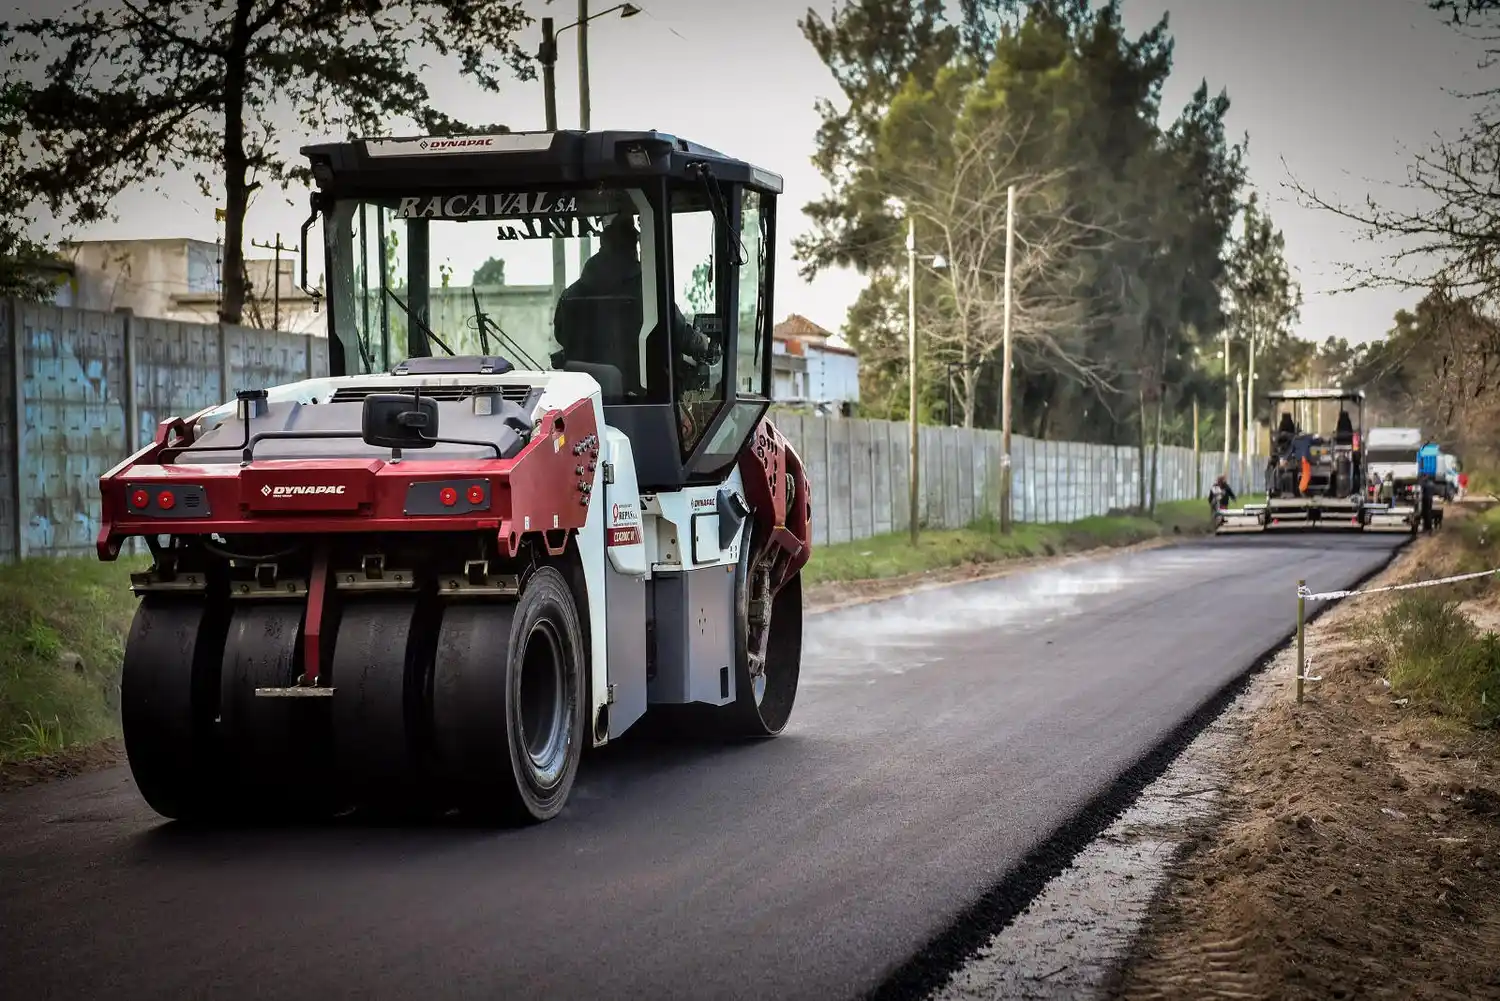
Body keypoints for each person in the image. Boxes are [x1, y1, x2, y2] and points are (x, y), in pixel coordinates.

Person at [550, 214, 720, 397]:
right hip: (643, 405)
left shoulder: (571, 294)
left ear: (603, 245)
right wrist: (703, 343)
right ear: (631, 247)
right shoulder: (646, 290)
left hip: (583, 402)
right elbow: (676, 332)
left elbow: (561, 335)